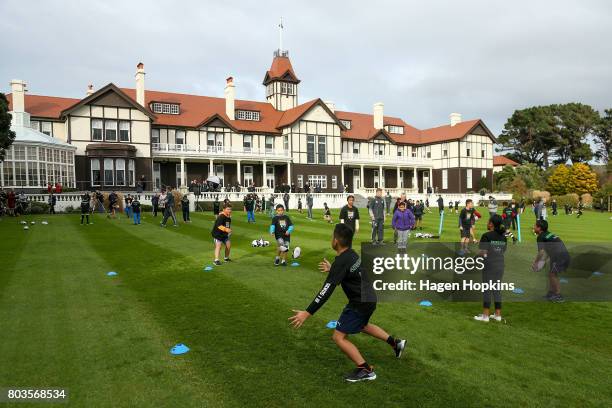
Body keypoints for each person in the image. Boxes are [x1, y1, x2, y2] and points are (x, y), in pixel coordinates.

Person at [289, 223, 406, 382]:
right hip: (369, 297)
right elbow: (351, 273)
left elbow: (325, 291)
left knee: (338, 337)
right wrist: (333, 270)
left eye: (332, 237)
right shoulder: (351, 254)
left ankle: (365, 369)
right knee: (363, 325)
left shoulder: (341, 261)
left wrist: (307, 312)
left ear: (336, 241)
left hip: (359, 302)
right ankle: (396, 344)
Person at [474, 214, 508, 322]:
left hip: (489, 265)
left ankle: (485, 316)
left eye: (488, 221)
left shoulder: (487, 235)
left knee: (487, 290)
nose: (487, 223)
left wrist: (474, 258)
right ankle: (498, 315)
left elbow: (483, 251)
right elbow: (503, 251)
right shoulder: (503, 237)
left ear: (491, 223)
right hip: (500, 265)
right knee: (496, 289)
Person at [532, 220, 570, 302]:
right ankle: (551, 293)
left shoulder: (541, 237)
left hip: (559, 256)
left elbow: (541, 252)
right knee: (551, 274)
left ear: (539, 228)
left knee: (552, 274)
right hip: (560, 255)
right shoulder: (548, 234)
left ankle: (558, 295)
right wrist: (542, 262)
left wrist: (535, 262)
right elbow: (546, 252)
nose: (533, 227)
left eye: (535, 226)